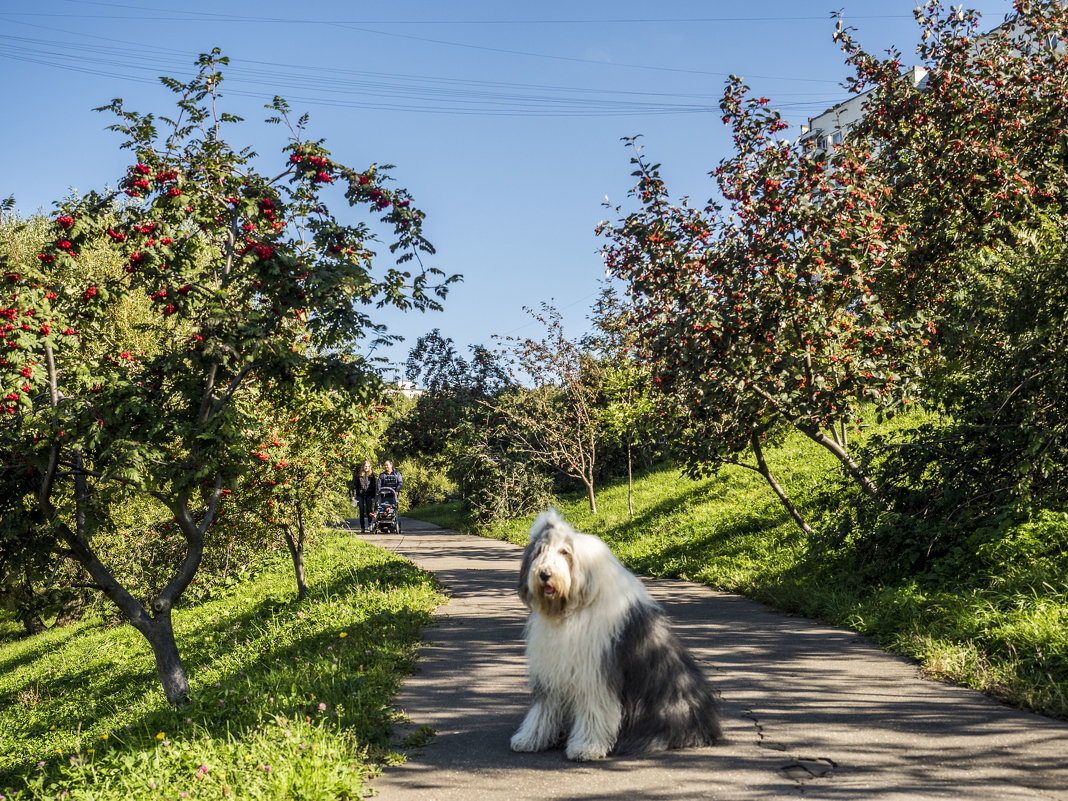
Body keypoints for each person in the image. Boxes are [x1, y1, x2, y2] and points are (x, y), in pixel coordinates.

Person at [351, 460, 377, 534]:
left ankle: (369, 524)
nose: (367, 467)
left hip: (369, 494)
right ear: (363, 466)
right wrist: (354, 496)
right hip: (360, 494)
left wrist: (373, 496)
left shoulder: (372, 475)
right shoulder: (359, 475)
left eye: (368, 466)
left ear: (370, 467)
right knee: (361, 510)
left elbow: (374, 486)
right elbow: (355, 486)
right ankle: (362, 527)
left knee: (369, 510)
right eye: (366, 466)